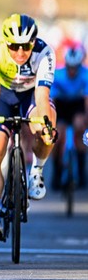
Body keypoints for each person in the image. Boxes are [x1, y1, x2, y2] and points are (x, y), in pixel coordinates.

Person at [0, 13, 57, 242]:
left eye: (26, 46)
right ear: (5, 42)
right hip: (2, 95)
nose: (21, 52)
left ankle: (37, 171)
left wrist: (46, 126)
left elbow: (42, 96)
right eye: (14, 46)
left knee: (45, 128)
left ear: (34, 42)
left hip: (30, 96)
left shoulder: (44, 53)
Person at [51, 46, 87, 189]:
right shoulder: (57, 75)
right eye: (70, 67)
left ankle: (81, 171)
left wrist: (85, 119)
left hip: (77, 104)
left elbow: (86, 101)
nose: (72, 71)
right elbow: (52, 101)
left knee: (79, 128)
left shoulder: (85, 75)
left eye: (75, 67)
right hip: (61, 105)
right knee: (57, 137)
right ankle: (57, 172)